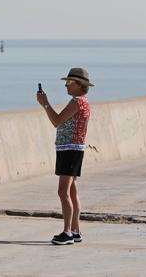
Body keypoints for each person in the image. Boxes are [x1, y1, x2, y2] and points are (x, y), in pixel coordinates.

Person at [36, 67, 93, 245]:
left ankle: (67, 232)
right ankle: (75, 230)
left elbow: (56, 120)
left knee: (63, 191)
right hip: (71, 149)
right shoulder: (82, 101)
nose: (66, 86)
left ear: (80, 85)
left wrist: (44, 103)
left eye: (69, 83)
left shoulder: (77, 102)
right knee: (72, 191)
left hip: (70, 150)